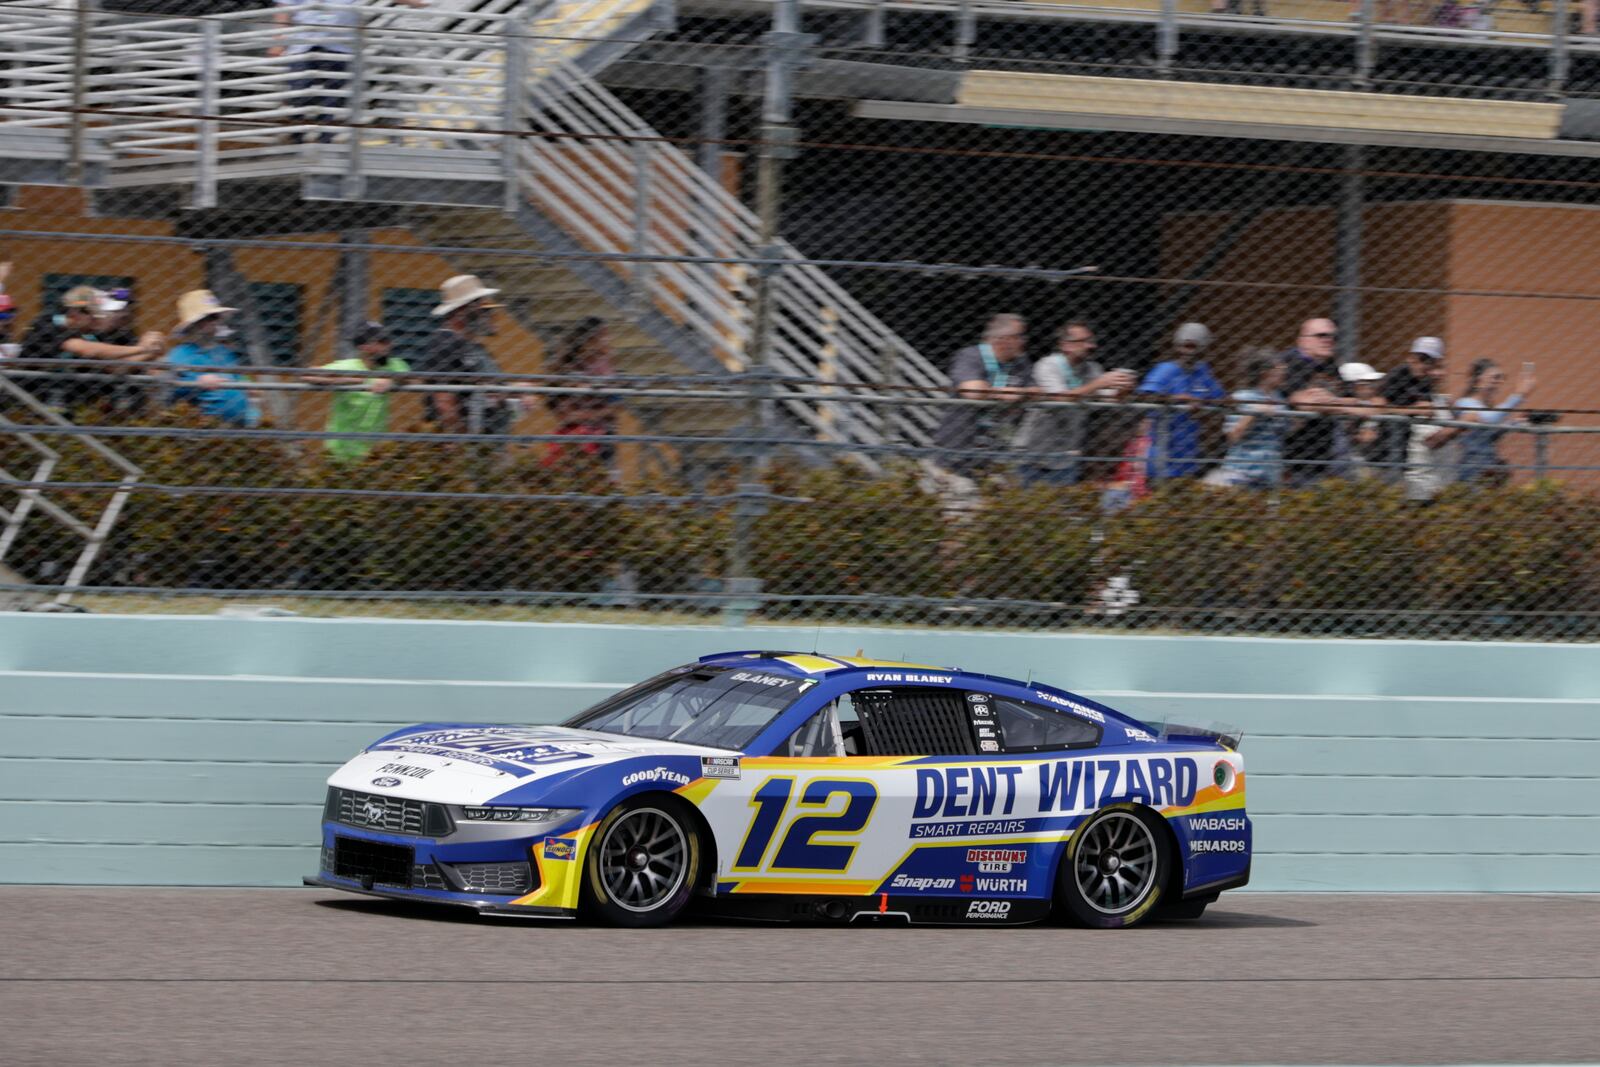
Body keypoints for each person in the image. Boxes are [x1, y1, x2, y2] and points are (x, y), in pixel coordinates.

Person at [269, 0, 429, 143]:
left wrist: (416, 2)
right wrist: (278, 39)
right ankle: (297, 137)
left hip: (338, 47)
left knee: (332, 98)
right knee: (298, 91)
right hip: (302, 45)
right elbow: (284, 7)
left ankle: (325, 140)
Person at [1013, 321, 1134, 486]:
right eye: (1083, 341)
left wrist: (1123, 388)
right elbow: (1060, 398)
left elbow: (1110, 398)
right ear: (1066, 345)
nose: (1091, 345)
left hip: (1066, 456)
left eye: (1091, 340)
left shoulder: (1092, 368)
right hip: (1032, 455)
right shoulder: (1048, 365)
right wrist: (1099, 383)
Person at [926, 313, 1036, 490]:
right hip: (956, 452)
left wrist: (1020, 393)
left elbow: (1037, 391)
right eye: (1019, 336)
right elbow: (972, 391)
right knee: (962, 511)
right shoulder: (971, 355)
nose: (1023, 341)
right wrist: (1002, 393)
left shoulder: (1021, 363)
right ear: (1003, 339)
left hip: (993, 455)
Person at [18, 286, 165, 412]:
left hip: (67, 401)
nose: (98, 321)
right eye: (94, 316)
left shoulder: (89, 335)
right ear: (75, 313)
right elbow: (86, 349)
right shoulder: (47, 323)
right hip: (27, 396)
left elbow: (115, 368)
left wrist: (149, 352)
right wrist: (140, 348)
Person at [416, 274, 517, 435]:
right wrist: (467, 441)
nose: (489, 314)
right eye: (482, 307)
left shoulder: (473, 346)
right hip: (465, 441)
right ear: (462, 310)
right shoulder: (445, 343)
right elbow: (444, 402)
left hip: (488, 438)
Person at [303, 320, 408, 463]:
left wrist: (391, 380)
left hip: (375, 449)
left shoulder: (394, 364)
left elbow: (408, 377)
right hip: (342, 448)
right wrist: (345, 380)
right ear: (364, 347)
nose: (388, 345)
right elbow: (306, 375)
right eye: (382, 341)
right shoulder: (349, 366)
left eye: (388, 340)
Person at [1280, 316, 1367, 486]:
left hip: (1325, 454)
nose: (1329, 340)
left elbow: (1354, 401)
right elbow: (1303, 402)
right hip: (1295, 455)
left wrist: (1331, 401)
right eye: (1322, 335)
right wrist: (1336, 403)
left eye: (1333, 336)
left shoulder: (1330, 365)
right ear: (1303, 340)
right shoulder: (1291, 361)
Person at [1136, 322, 1226, 480]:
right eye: (1184, 346)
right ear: (1176, 346)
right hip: (1162, 452)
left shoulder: (1202, 372)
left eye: (1192, 347)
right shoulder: (1166, 370)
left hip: (1189, 456)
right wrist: (1177, 400)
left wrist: (1203, 403)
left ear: (1204, 348)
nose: (1187, 352)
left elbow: (1221, 398)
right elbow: (1145, 396)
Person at [164, 290, 260, 427]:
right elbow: (170, 388)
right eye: (209, 317)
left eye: (215, 317)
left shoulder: (224, 352)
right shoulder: (180, 354)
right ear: (195, 323)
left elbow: (240, 378)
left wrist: (251, 401)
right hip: (205, 429)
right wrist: (196, 382)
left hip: (240, 428)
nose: (215, 322)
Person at [542, 316, 620, 472]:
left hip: (604, 435)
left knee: (607, 476)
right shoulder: (569, 368)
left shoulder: (605, 365)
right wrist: (603, 412)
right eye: (603, 336)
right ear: (589, 340)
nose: (608, 340)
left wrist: (606, 407)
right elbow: (568, 415)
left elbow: (616, 404)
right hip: (578, 436)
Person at [1206, 351, 1288, 489]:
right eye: (1280, 370)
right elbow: (1233, 436)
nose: (1284, 374)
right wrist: (1254, 413)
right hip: (1240, 473)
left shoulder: (1279, 399)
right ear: (1265, 373)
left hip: (1269, 475)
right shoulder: (1242, 397)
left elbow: (1286, 429)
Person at [1455, 358, 1536, 486]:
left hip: (1488, 469)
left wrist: (1514, 423)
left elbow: (1490, 431)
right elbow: (1489, 419)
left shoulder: (1486, 407)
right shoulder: (1465, 403)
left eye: (1501, 378)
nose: (1499, 382)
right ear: (1478, 381)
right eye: (1495, 378)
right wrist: (1519, 395)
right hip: (1471, 470)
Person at [1377, 337, 1445, 482]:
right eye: (1421, 359)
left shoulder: (1425, 381)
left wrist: (1414, 410)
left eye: (1430, 361)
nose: (1425, 365)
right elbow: (1378, 406)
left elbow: (1427, 410)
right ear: (1411, 358)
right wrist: (1411, 410)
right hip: (1384, 443)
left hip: (1405, 444)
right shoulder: (1398, 374)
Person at [1337, 362, 1388, 479]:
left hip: (1369, 459)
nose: (1373, 388)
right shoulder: (1340, 403)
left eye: (1373, 384)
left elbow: (1368, 436)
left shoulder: (1374, 402)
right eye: (1366, 384)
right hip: (1346, 458)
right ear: (1352, 387)